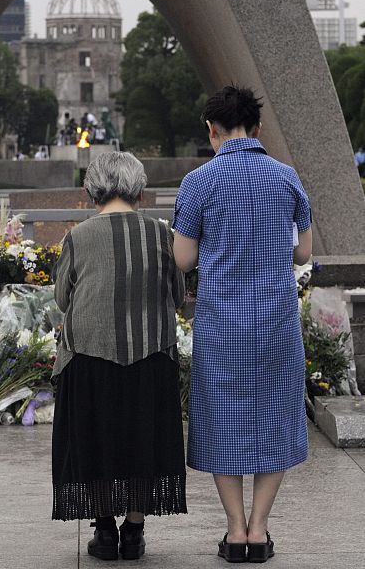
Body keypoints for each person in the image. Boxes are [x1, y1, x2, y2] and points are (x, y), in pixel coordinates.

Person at [172, 85, 312, 564]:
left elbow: (183, 257)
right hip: (275, 323)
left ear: (212, 130)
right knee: (276, 419)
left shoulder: (198, 182)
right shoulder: (287, 178)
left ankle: (234, 532)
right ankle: (260, 528)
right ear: (257, 129)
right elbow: (303, 252)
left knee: (221, 423)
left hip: (222, 326)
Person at [51, 151, 187, 561]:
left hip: (90, 356)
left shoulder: (78, 237)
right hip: (151, 355)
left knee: (97, 439)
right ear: (139, 190)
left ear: (92, 189)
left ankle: (105, 531)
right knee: (143, 441)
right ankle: (135, 531)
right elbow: (179, 295)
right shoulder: (164, 236)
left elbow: (62, 298)